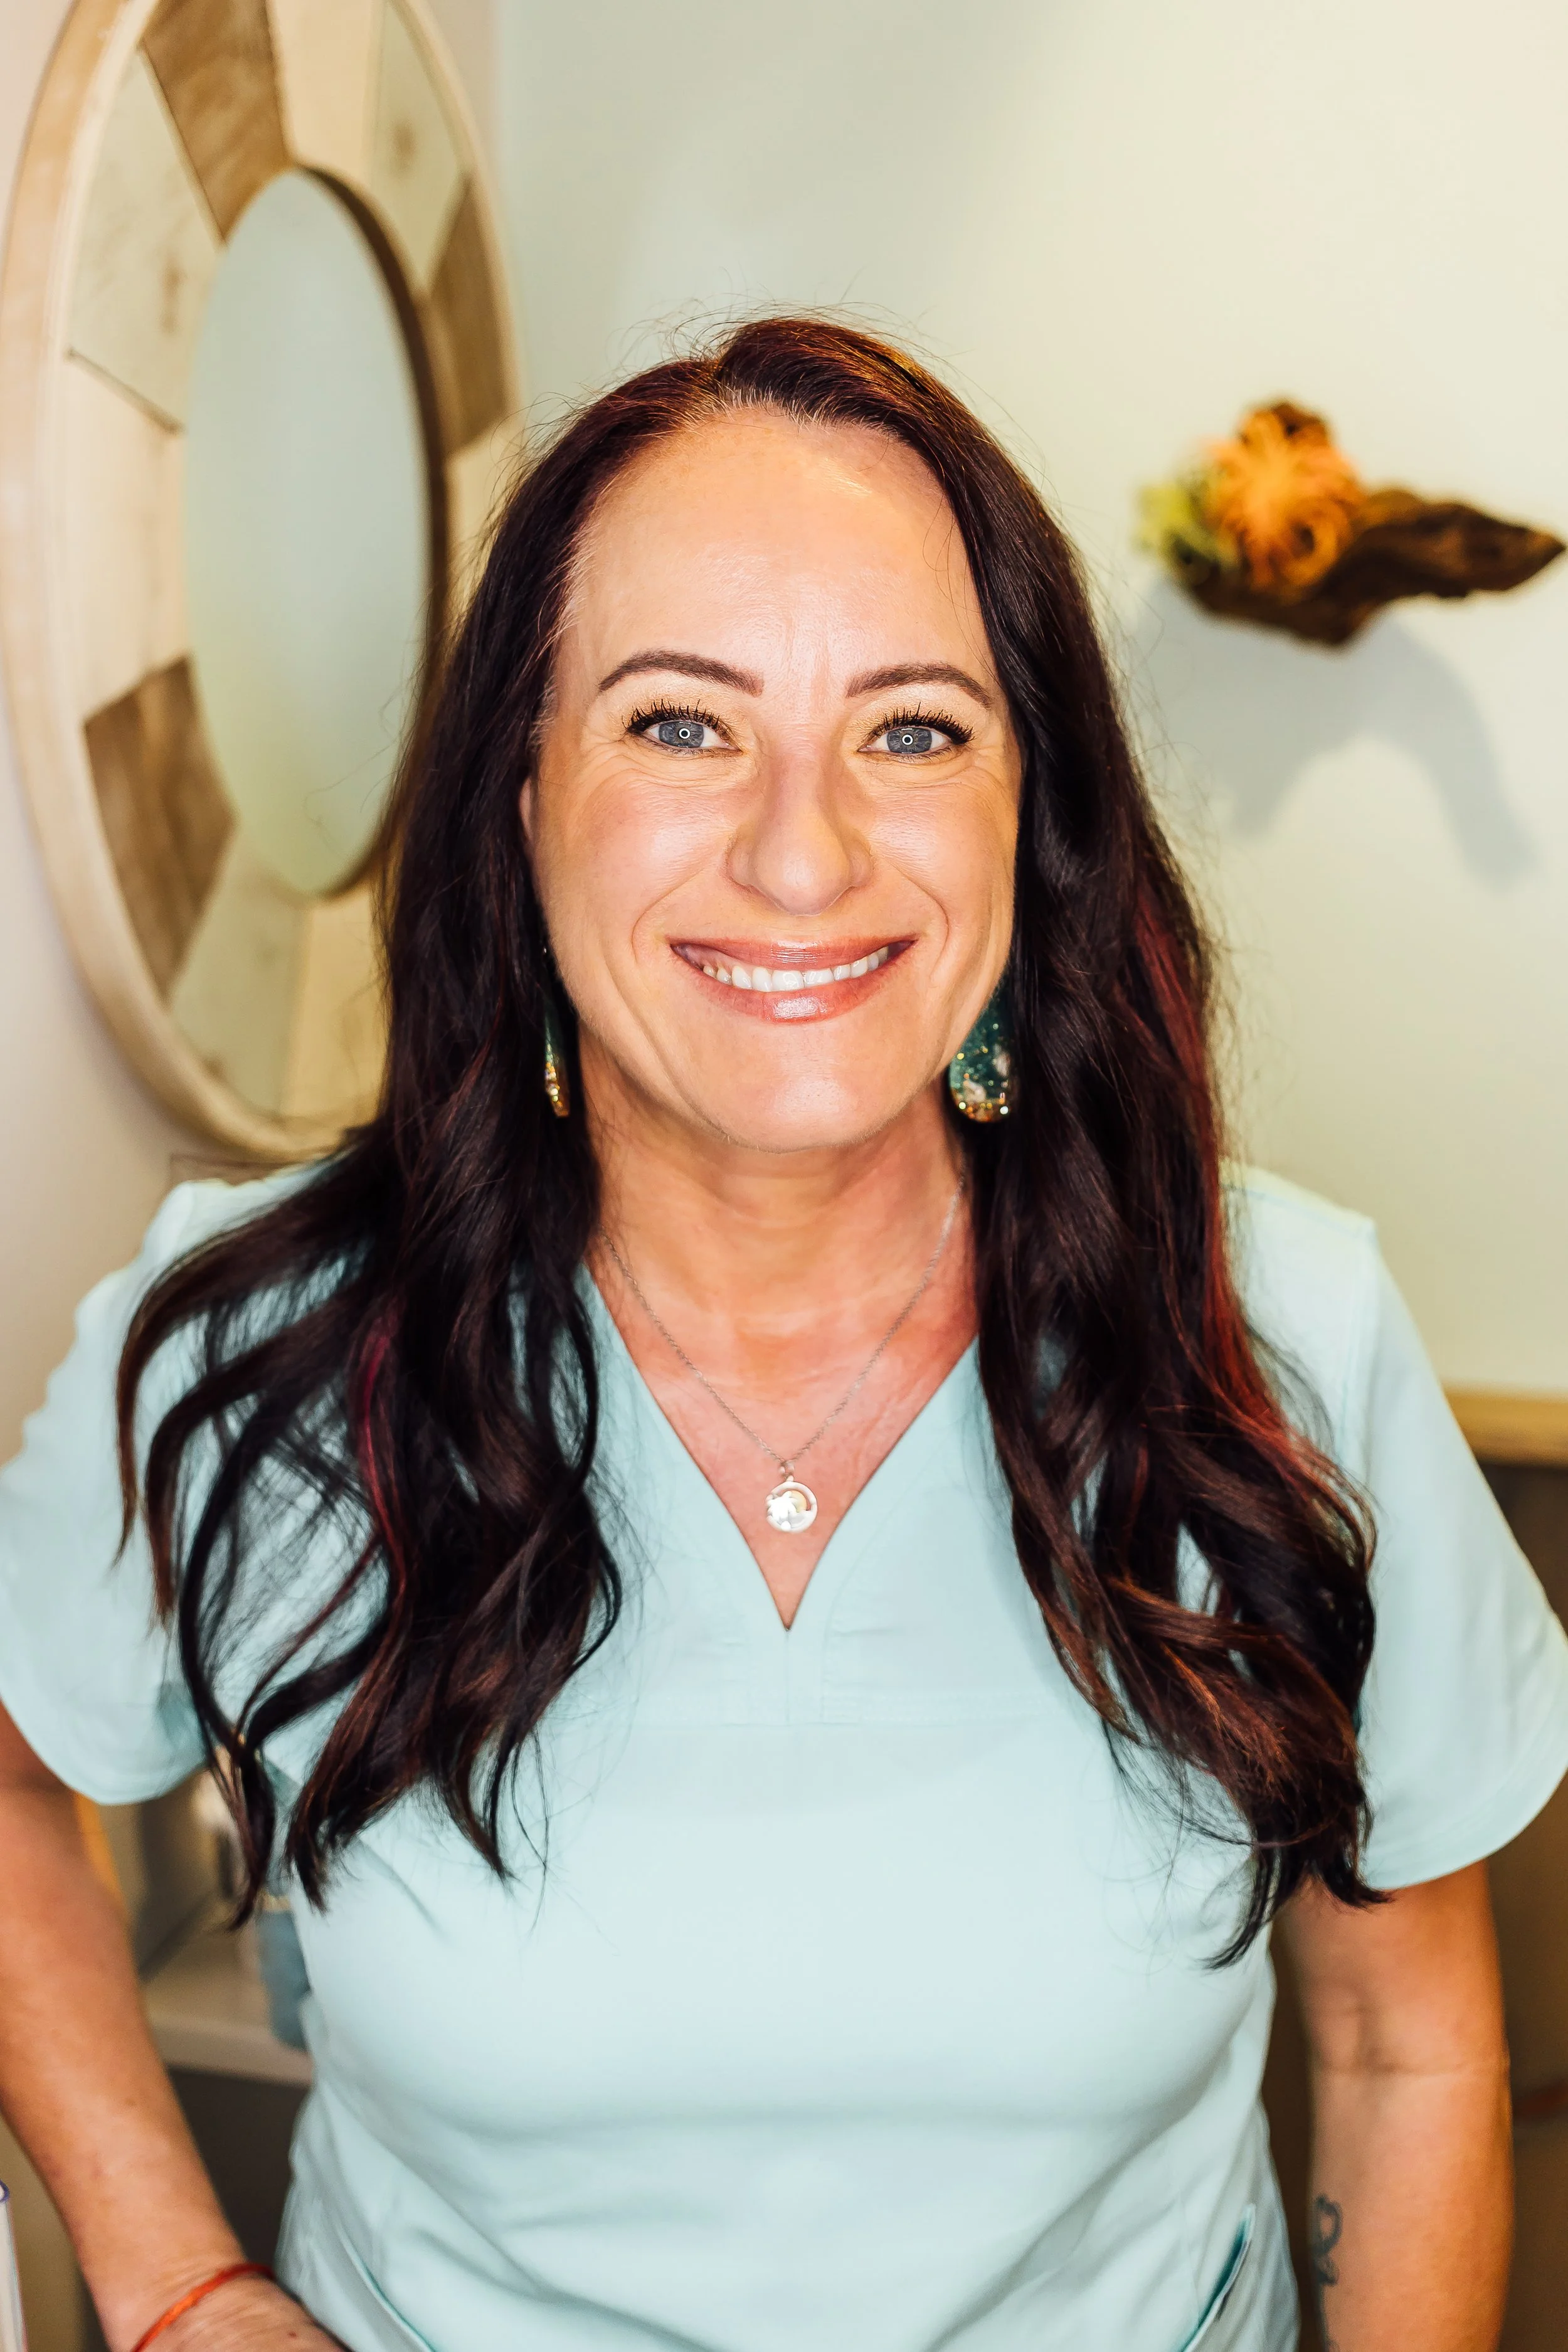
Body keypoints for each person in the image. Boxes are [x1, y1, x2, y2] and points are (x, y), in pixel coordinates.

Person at [0, 319, 1563, 2352]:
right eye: (678, 723)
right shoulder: (263, 1353)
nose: (802, 848)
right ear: (519, 798)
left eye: (913, 728)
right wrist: (175, 2275)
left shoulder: (1277, 1337)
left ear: (1035, 816)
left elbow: (1402, 2045)